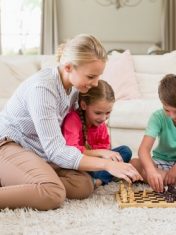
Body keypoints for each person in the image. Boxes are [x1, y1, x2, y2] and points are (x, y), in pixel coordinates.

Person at [0, 34, 142, 211]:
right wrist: (107, 164)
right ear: (68, 67)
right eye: (91, 76)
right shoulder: (43, 89)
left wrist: (100, 155)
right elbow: (56, 150)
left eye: (98, 76)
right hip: (9, 146)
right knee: (53, 193)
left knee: (83, 185)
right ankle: (31, 183)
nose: (95, 83)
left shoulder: (74, 89)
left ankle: (20, 182)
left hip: (39, 152)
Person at [62, 80, 132, 186]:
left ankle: (98, 180)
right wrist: (101, 153)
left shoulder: (100, 124)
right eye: (98, 113)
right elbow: (72, 151)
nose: (103, 118)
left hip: (98, 164)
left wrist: (105, 154)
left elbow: (105, 147)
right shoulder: (73, 120)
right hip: (80, 163)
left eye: (108, 112)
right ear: (84, 105)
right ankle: (101, 179)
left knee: (125, 151)